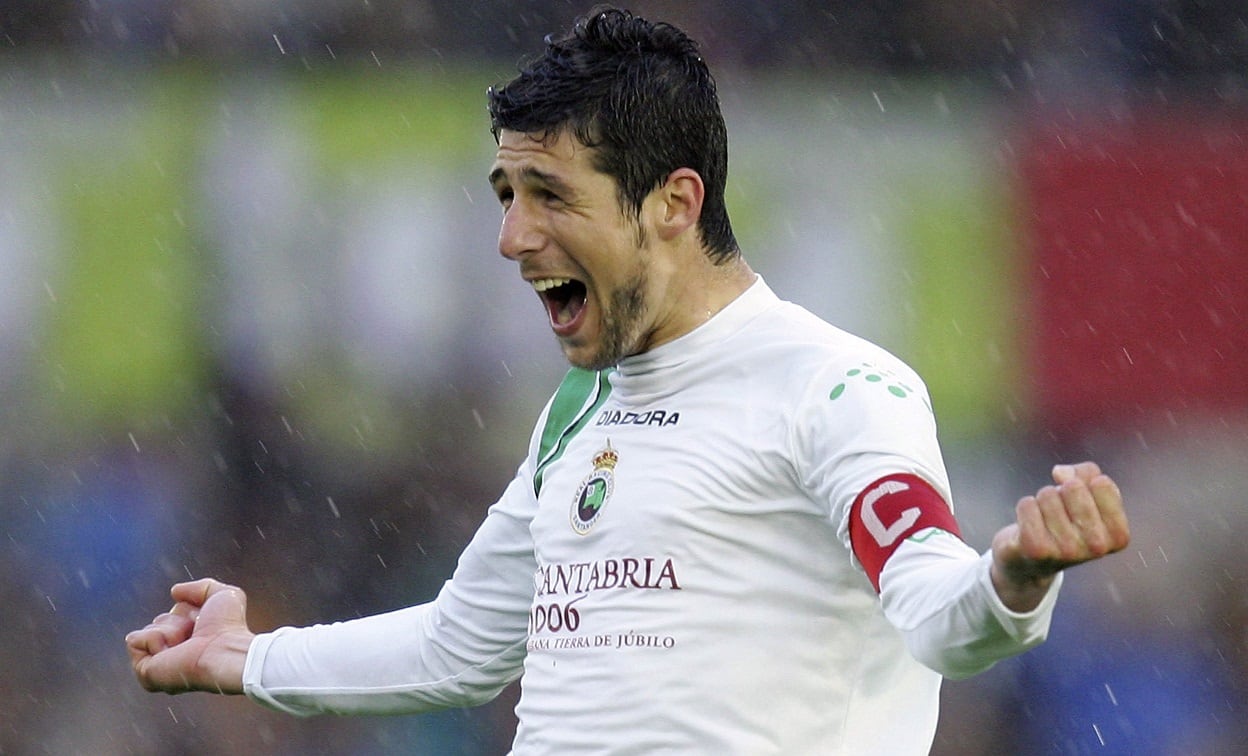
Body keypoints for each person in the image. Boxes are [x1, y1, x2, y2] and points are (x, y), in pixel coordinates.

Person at [126, 6, 1130, 753]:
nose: (514, 238)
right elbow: (458, 647)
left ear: (673, 203)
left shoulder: (836, 391)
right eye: (507, 194)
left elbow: (935, 611)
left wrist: (1011, 578)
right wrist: (247, 660)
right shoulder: (580, 411)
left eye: (551, 197)